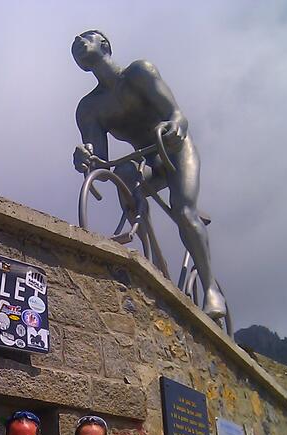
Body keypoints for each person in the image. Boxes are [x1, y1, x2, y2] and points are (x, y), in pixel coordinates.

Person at [72, 29, 226, 321]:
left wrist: (175, 127)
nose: (78, 43)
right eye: (74, 44)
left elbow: (177, 115)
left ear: (104, 44)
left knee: (183, 211)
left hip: (175, 148)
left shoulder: (139, 73)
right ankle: (152, 260)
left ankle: (210, 290)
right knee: (124, 173)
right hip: (147, 159)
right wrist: (85, 158)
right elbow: (101, 167)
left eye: (86, 38)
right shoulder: (89, 108)